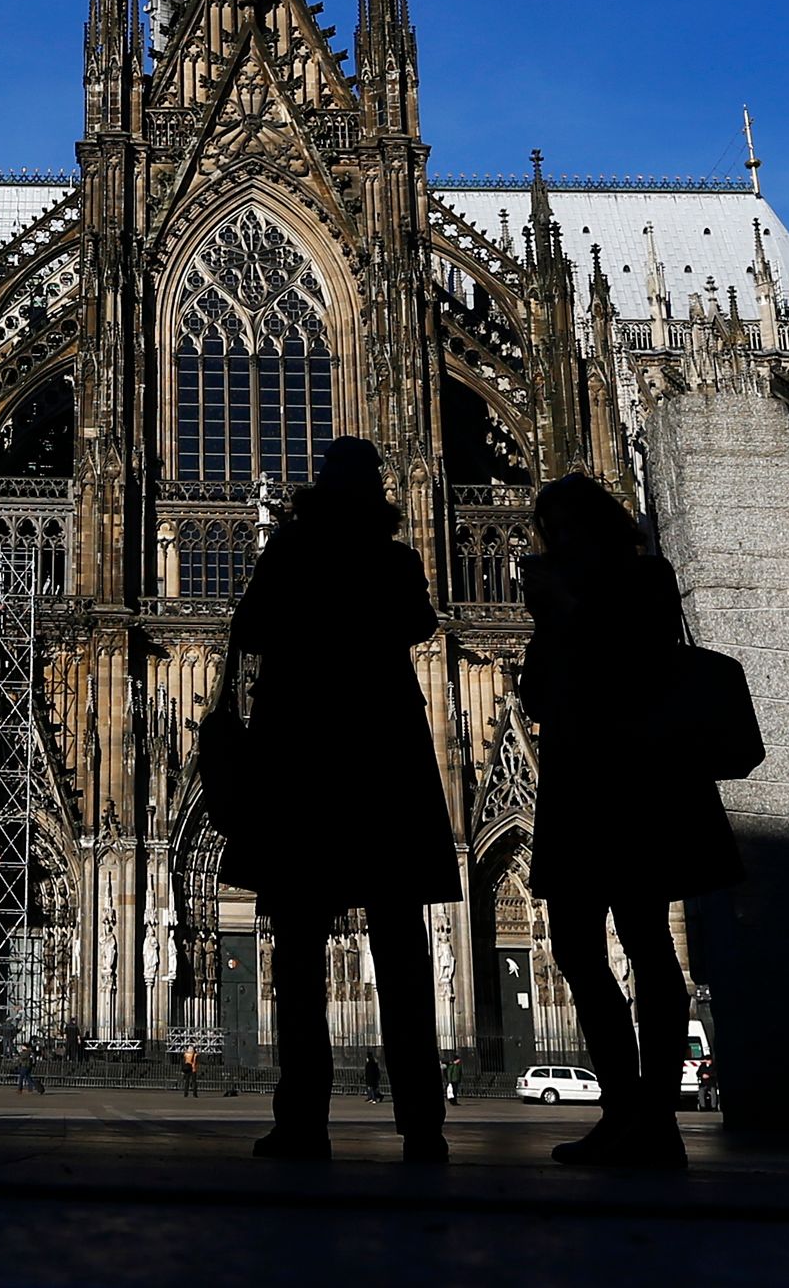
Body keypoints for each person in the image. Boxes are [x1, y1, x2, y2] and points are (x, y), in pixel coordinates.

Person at [221, 435, 459, 1164]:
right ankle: (422, 1122)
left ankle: (302, 1120)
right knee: (401, 942)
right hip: (382, 754)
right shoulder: (394, 559)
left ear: (322, 487)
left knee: (297, 945)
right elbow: (420, 625)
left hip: (305, 757)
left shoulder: (292, 550)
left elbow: (250, 627)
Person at [518, 471, 741, 1167]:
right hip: (582, 781)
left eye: (561, 527)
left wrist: (567, 607)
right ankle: (625, 1108)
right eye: (547, 531)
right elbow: (534, 688)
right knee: (578, 947)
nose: (553, 541)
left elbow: (642, 660)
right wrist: (549, 621)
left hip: (636, 779)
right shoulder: (574, 592)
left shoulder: (646, 577)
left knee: (647, 941)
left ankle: (653, 1114)